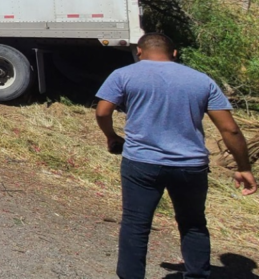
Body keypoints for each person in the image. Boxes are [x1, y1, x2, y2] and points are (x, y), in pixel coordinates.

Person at [95, 32, 257, 279]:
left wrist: (111, 135)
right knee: (193, 223)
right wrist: (244, 167)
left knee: (136, 224)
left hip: (141, 162)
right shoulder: (201, 80)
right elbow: (230, 129)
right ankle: (197, 275)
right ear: (174, 53)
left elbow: (103, 112)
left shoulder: (123, 75)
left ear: (139, 51)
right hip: (190, 166)